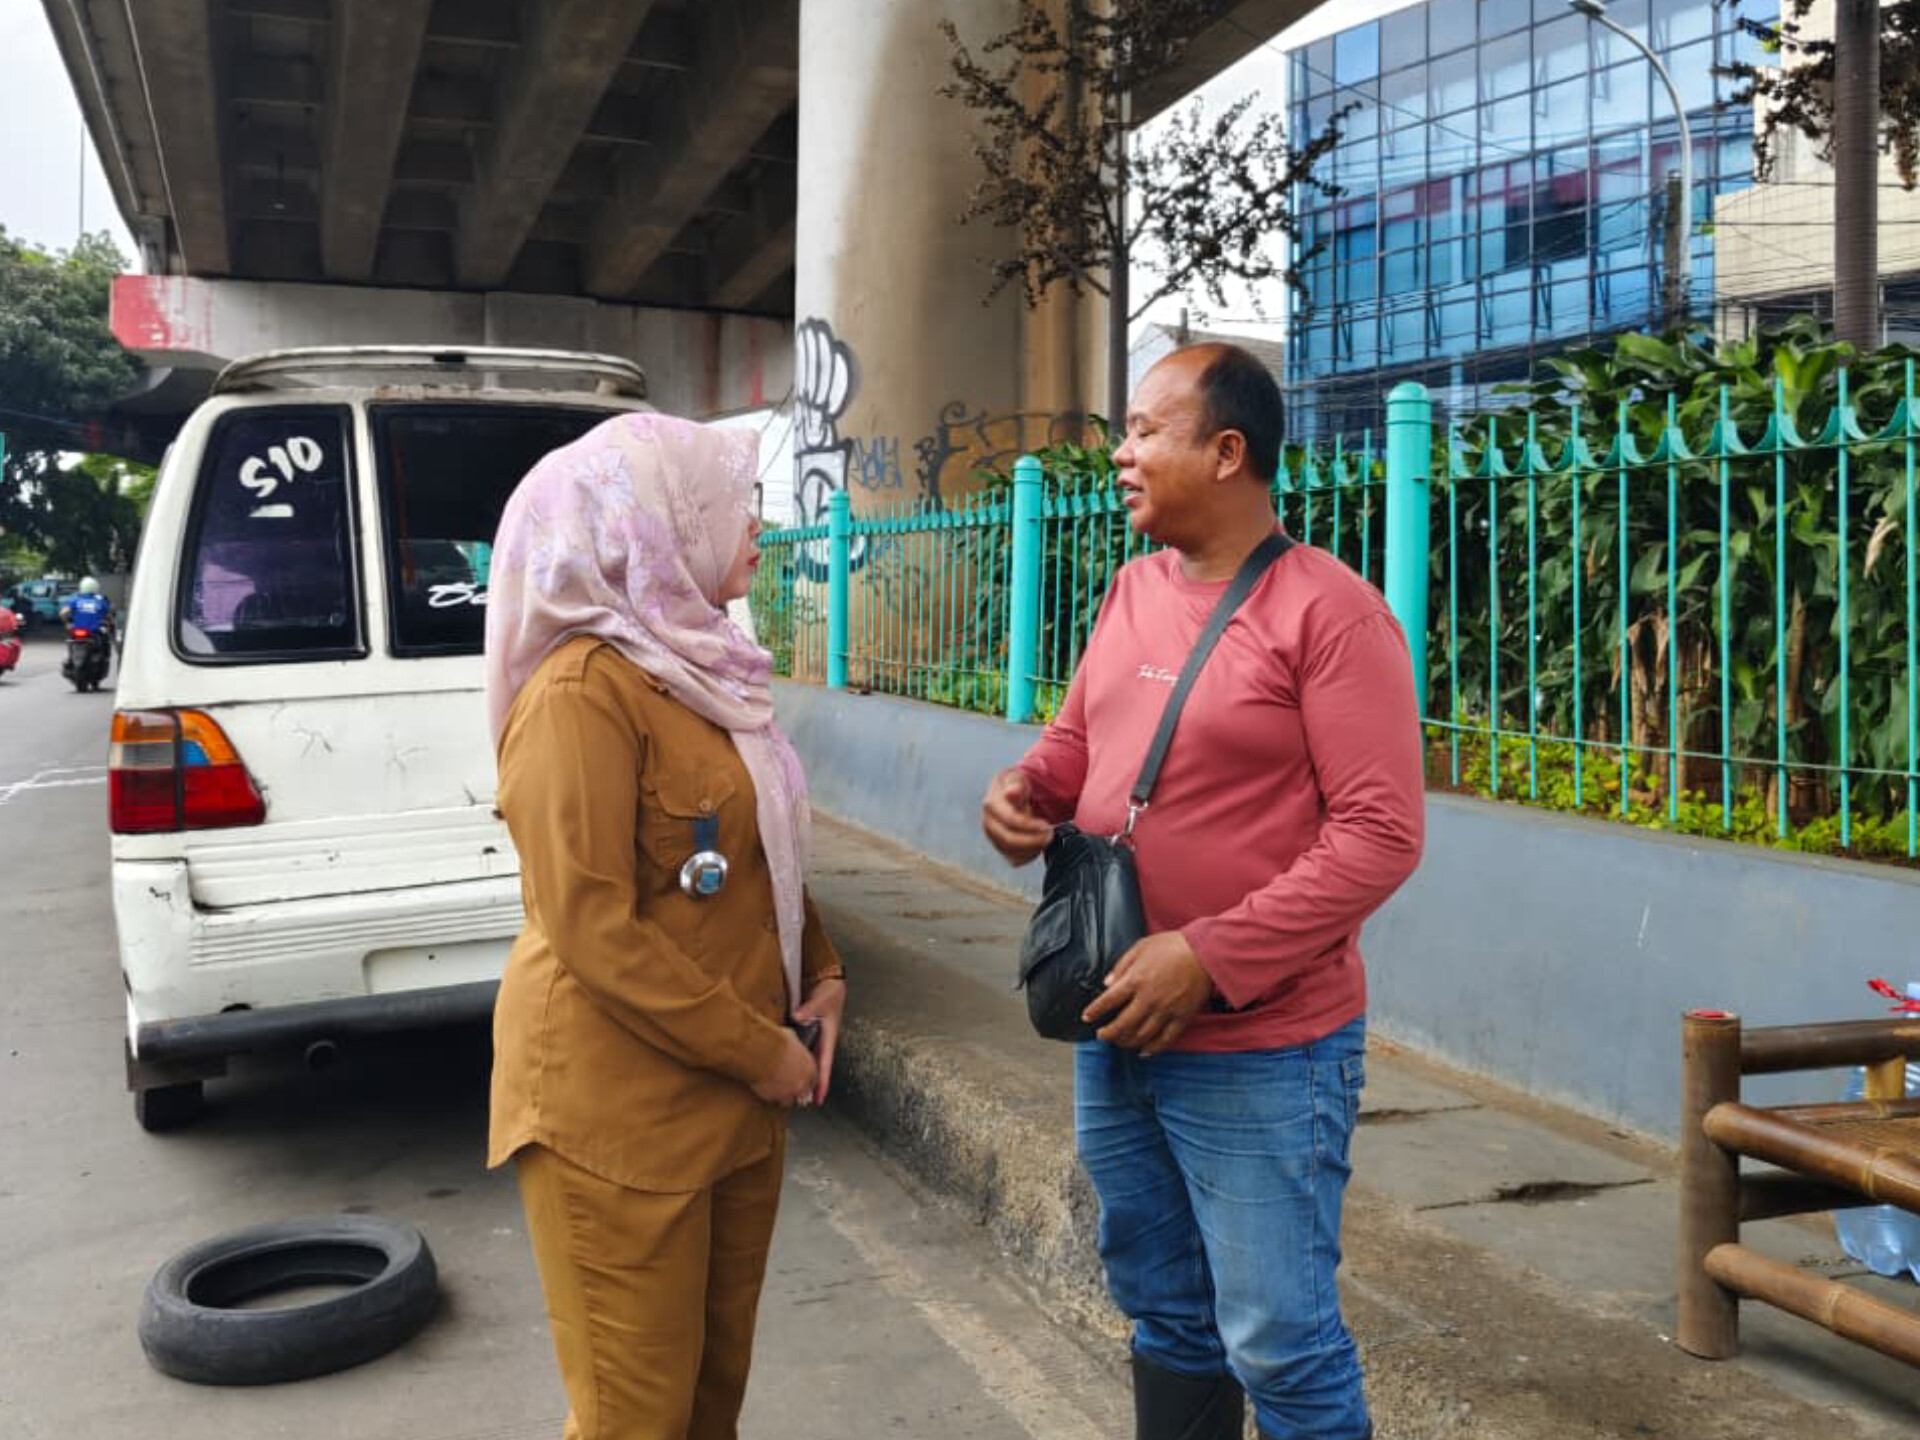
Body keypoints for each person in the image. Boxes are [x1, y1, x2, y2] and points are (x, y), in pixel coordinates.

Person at [981, 343, 1424, 1440]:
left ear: (1228, 453)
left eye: (1144, 432)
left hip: (1266, 1051)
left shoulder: (1333, 615)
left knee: (1279, 1335)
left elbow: (1382, 837)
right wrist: (1026, 790)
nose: (1121, 455)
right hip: (1115, 1019)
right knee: (1163, 1310)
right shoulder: (1132, 590)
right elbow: (1080, 742)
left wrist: (1211, 956)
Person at [484, 411, 847, 1440]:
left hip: (734, 1103)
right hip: (620, 1115)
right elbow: (592, 927)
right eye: (731, 500)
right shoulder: (580, 695)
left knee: (708, 1408)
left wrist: (823, 977)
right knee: (634, 1419)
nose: (757, 523)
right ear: (650, 521)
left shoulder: (707, 670)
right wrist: (762, 1053)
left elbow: (763, 847)